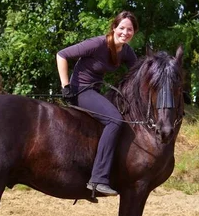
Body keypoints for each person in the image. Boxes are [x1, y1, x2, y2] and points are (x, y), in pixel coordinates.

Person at [56, 11, 139, 198]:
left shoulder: (126, 51)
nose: (125, 33)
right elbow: (61, 55)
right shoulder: (98, 43)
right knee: (115, 120)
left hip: (95, 90)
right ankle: (98, 179)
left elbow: (138, 72)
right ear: (114, 28)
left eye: (130, 30)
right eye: (122, 28)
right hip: (81, 90)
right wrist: (66, 86)